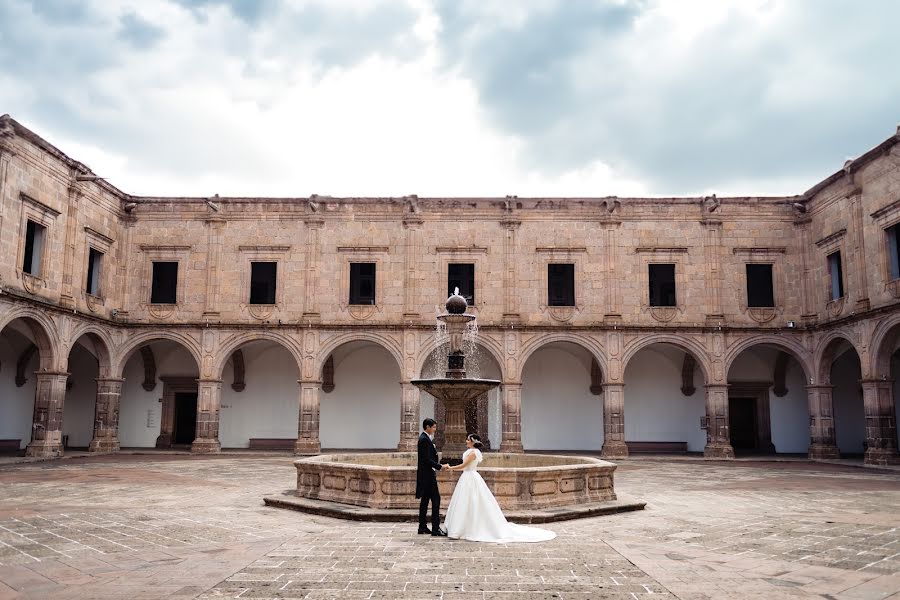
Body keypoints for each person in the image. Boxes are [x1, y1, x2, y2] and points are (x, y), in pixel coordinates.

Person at [444, 434, 556, 543]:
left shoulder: (474, 453)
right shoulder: (471, 452)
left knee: (472, 501)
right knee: (464, 502)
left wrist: (450, 468)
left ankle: (467, 528)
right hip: (467, 477)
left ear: (473, 442)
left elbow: (464, 466)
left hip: (470, 477)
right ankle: (461, 526)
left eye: (468, 440)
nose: (466, 441)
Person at [416, 418, 447, 536]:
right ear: (427, 427)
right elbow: (426, 459)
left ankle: (422, 527)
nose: (434, 429)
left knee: (424, 501)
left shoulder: (425, 438)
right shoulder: (424, 439)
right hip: (428, 476)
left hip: (426, 475)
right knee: (436, 500)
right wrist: (440, 466)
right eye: (433, 427)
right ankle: (435, 528)